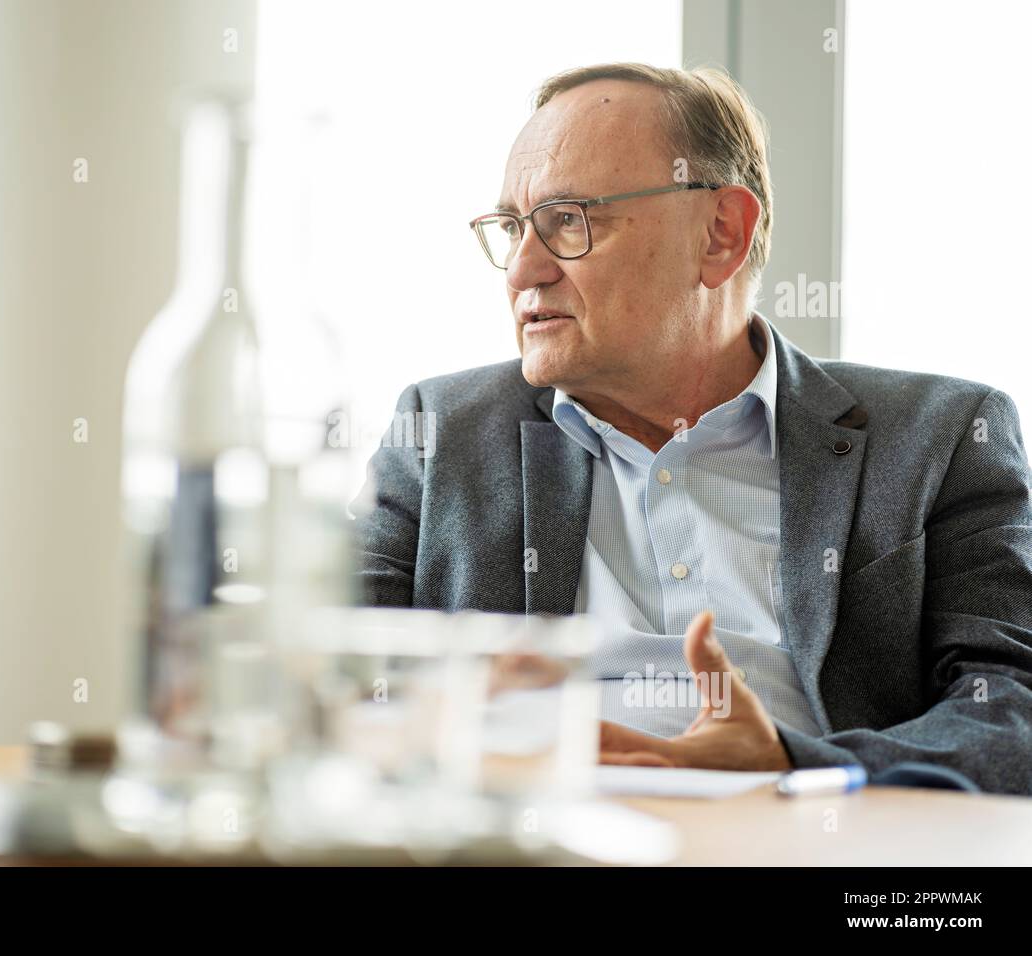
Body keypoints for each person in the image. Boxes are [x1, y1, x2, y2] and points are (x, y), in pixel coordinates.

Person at [352, 63, 1032, 794]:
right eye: (514, 228)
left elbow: (1011, 712)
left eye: (569, 221)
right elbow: (322, 672)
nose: (522, 271)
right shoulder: (440, 432)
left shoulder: (941, 436)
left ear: (721, 235)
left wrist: (795, 763)